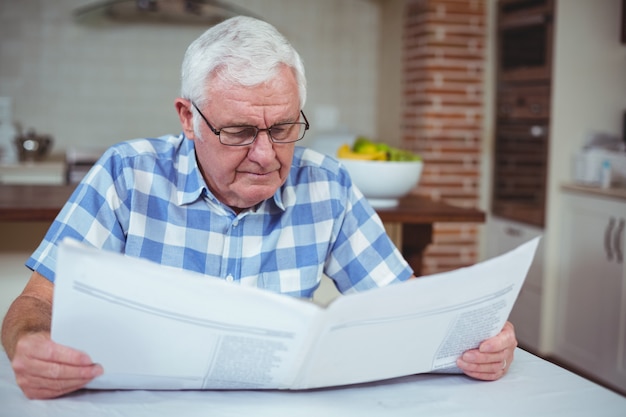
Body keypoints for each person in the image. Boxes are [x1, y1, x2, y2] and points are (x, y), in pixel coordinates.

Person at [0, 16, 517, 400]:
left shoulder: (327, 184)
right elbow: (35, 304)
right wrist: (31, 345)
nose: (266, 155)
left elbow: (406, 310)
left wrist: (477, 336)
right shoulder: (125, 174)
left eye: (284, 128)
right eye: (240, 131)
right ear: (188, 117)